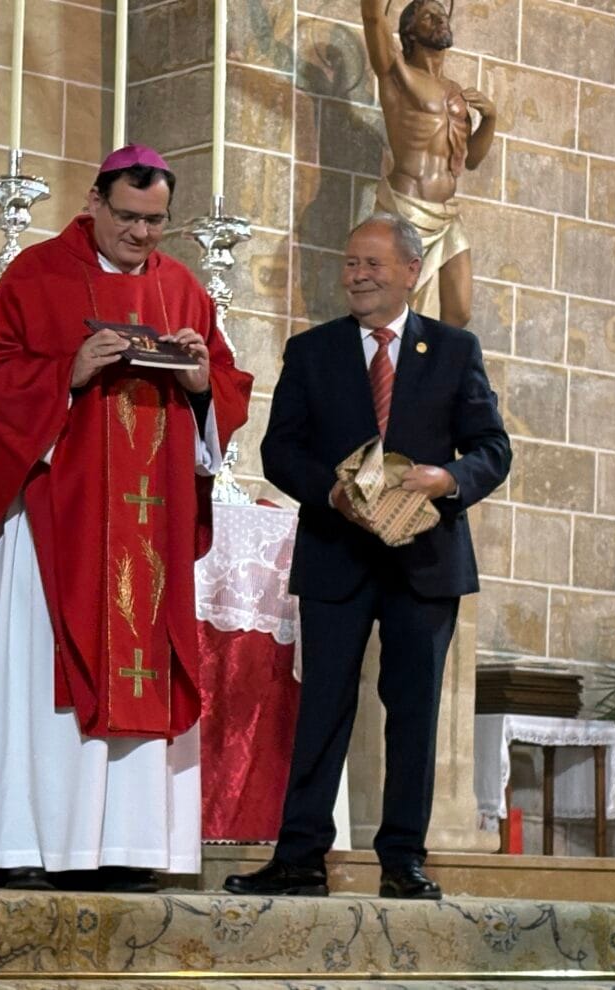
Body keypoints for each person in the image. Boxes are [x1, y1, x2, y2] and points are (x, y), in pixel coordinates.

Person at [0, 145, 253, 891]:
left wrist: (198, 383)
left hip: (148, 529)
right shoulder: (37, 275)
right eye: (128, 217)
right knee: (46, 670)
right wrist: (69, 372)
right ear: (93, 202)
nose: (142, 234)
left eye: (156, 222)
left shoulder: (184, 290)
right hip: (61, 524)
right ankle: (26, 843)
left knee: (141, 661)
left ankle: (128, 844)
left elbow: (226, 382)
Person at [226, 213, 509, 900]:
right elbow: (281, 450)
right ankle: (298, 857)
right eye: (351, 263)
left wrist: (448, 481)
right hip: (336, 555)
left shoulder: (452, 350)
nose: (357, 274)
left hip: (426, 559)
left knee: (412, 711)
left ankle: (402, 861)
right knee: (322, 704)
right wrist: (330, 491)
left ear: (411, 271)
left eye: (372, 264)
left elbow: (493, 450)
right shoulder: (312, 351)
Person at [363, 0, 497, 326]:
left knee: (459, 312)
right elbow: (372, 16)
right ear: (410, 31)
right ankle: (396, 372)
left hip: (446, 214)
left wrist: (490, 118)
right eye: (428, 16)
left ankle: (437, 373)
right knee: (396, 307)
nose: (440, 20)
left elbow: (473, 160)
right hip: (407, 207)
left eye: (442, 14)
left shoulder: (456, 94)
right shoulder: (398, 74)